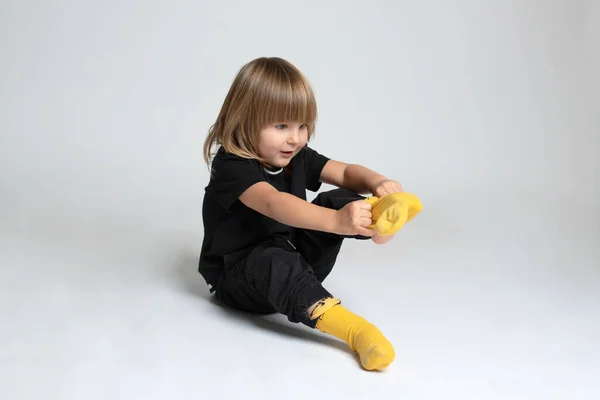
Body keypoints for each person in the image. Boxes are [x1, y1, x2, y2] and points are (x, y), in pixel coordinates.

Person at [198, 57, 422, 371]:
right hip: (242, 278)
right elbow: (273, 203)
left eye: (302, 125)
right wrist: (336, 223)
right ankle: (356, 331)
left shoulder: (294, 155)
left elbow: (343, 173)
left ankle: (383, 224)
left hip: (295, 258)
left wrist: (378, 183)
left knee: (336, 200)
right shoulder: (232, 166)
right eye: (281, 126)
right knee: (277, 258)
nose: (296, 137)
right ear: (244, 121)